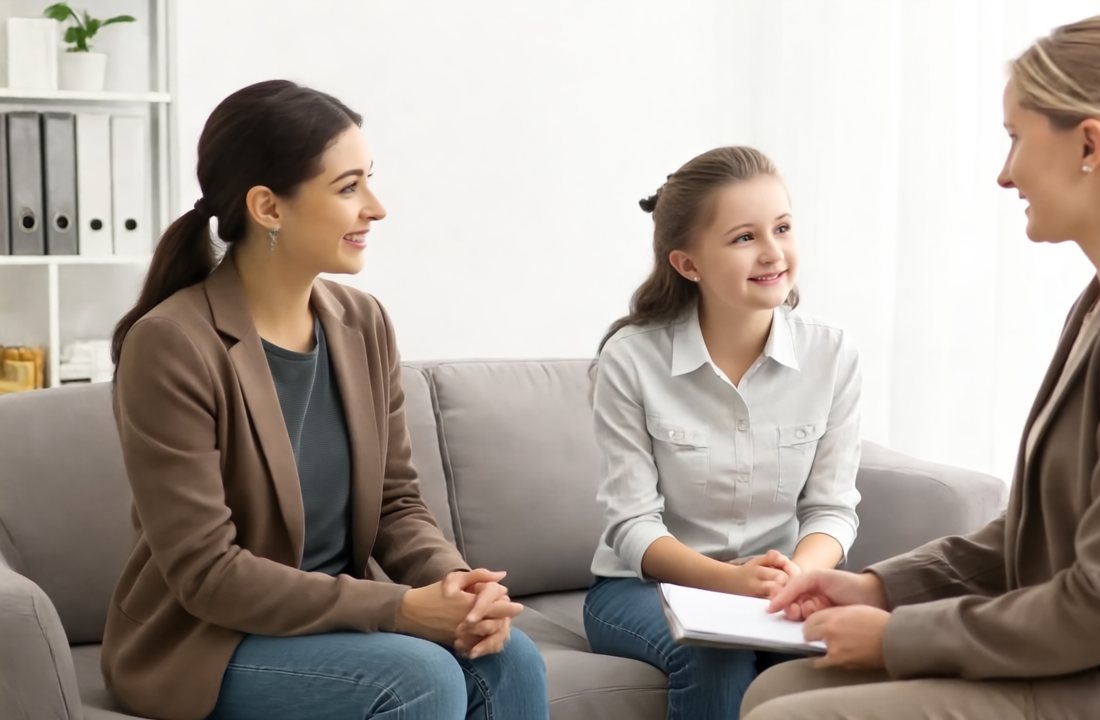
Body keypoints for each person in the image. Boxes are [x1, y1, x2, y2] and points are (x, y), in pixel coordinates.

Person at [741, 14, 1100, 720]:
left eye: (1015, 138)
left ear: (1090, 143)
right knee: (779, 687)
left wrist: (900, 636)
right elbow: (1036, 531)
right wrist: (882, 588)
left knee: (793, 715)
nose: (1004, 174)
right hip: (1097, 660)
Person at [105, 80, 549, 720]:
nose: (376, 207)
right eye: (348, 188)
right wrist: (399, 609)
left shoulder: (362, 323)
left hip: (334, 623)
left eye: (369, 180)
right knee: (418, 677)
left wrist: (459, 588)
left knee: (512, 659)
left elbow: (397, 502)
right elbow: (207, 572)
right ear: (268, 207)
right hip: (209, 640)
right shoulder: (171, 345)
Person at [584, 145, 863, 720]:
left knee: (853, 645)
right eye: (744, 238)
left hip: (778, 584)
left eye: (782, 228)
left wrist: (799, 577)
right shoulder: (631, 359)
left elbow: (832, 509)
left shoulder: (832, 353)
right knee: (717, 656)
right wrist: (729, 582)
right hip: (643, 589)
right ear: (688, 265)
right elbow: (631, 525)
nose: (772, 252)